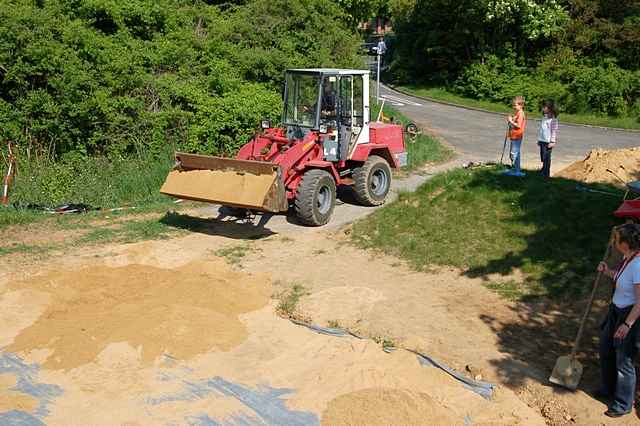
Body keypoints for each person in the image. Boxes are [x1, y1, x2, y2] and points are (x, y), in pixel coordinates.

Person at [597, 223, 640, 418]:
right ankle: (609, 389)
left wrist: (627, 324)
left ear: (625, 243)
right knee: (606, 348)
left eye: (617, 239)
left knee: (624, 361)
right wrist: (607, 271)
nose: (614, 242)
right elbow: (621, 277)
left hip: (628, 316)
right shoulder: (627, 258)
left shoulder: (639, 265)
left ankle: (623, 404)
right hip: (615, 310)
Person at [504, 96, 526, 176]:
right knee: (512, 153)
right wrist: (512, 119)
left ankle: (517, 171)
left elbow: (519, 125)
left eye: (515, 105)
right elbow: (515, 122)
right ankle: (514, 169)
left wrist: (511, 121)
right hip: (514, 136)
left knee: (514, 153)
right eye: (513, 105)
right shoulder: (517, 113)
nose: (514, 107)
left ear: (521, 105)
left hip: (517, 136)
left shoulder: (521, 114)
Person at [537, 100, 559, 178]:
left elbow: (554, 132)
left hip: (548, 142)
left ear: (550, 108)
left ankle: (546, 173)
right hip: (542, 140)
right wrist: (539, 139)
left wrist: (552, 141)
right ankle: (543, 168)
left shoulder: (553, 120)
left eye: (544, 107)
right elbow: (542, 130)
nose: (543, 108)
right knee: (543, 157)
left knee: (547, 158)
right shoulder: (544, 118)